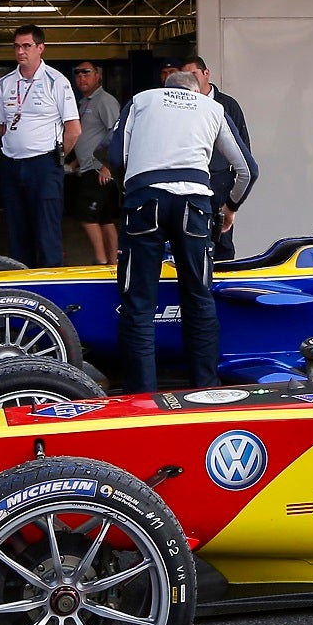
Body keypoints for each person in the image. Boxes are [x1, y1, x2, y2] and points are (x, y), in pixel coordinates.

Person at [102, 69, 253, 392]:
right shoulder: (212, 108)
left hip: (144, 200)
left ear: (164, 87)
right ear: (197, 90)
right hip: (195, 204)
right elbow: (247, 170)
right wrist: (230, 208)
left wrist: (127, 186)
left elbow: (114, 154)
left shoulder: (141, 101)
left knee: (139, 301)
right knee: (199, 296)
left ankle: (142, 395)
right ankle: (205, 388)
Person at [0, 24, 80, 267]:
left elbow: (74, 129)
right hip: (11, 165)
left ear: (40, 48)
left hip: (44, 165)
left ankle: (52, 291)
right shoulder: (5, 83)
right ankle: (23, 288)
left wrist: (56, 159)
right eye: (17, 46)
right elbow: (1, 126)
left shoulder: (56, 81)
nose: (21, 51)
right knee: (17, 232)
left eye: (27, 46)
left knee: (47, 231)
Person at [181, 57, 255, 260]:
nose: (190, 80)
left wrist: (235, 184)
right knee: (192, 235)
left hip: (221, 180)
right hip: (192, 178)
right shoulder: (182, 106)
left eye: (193, 74)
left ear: (206, 74)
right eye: (185, 76)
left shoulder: (227, 105)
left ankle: (222, 282)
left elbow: (243, 146)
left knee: (222, 237)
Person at [69, 61, 123, 265]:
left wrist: (108, 165)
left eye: (86, 73)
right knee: (105, 218)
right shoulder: (84, 102)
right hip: (88, 167)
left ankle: (100, 262)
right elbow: (91, 136)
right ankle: (113, 262)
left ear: (98, 76)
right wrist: (74, 161)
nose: (81, 77)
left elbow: (117, 133)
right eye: (78, 74)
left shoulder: (104, 101)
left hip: (99, 170)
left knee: (86, 214)